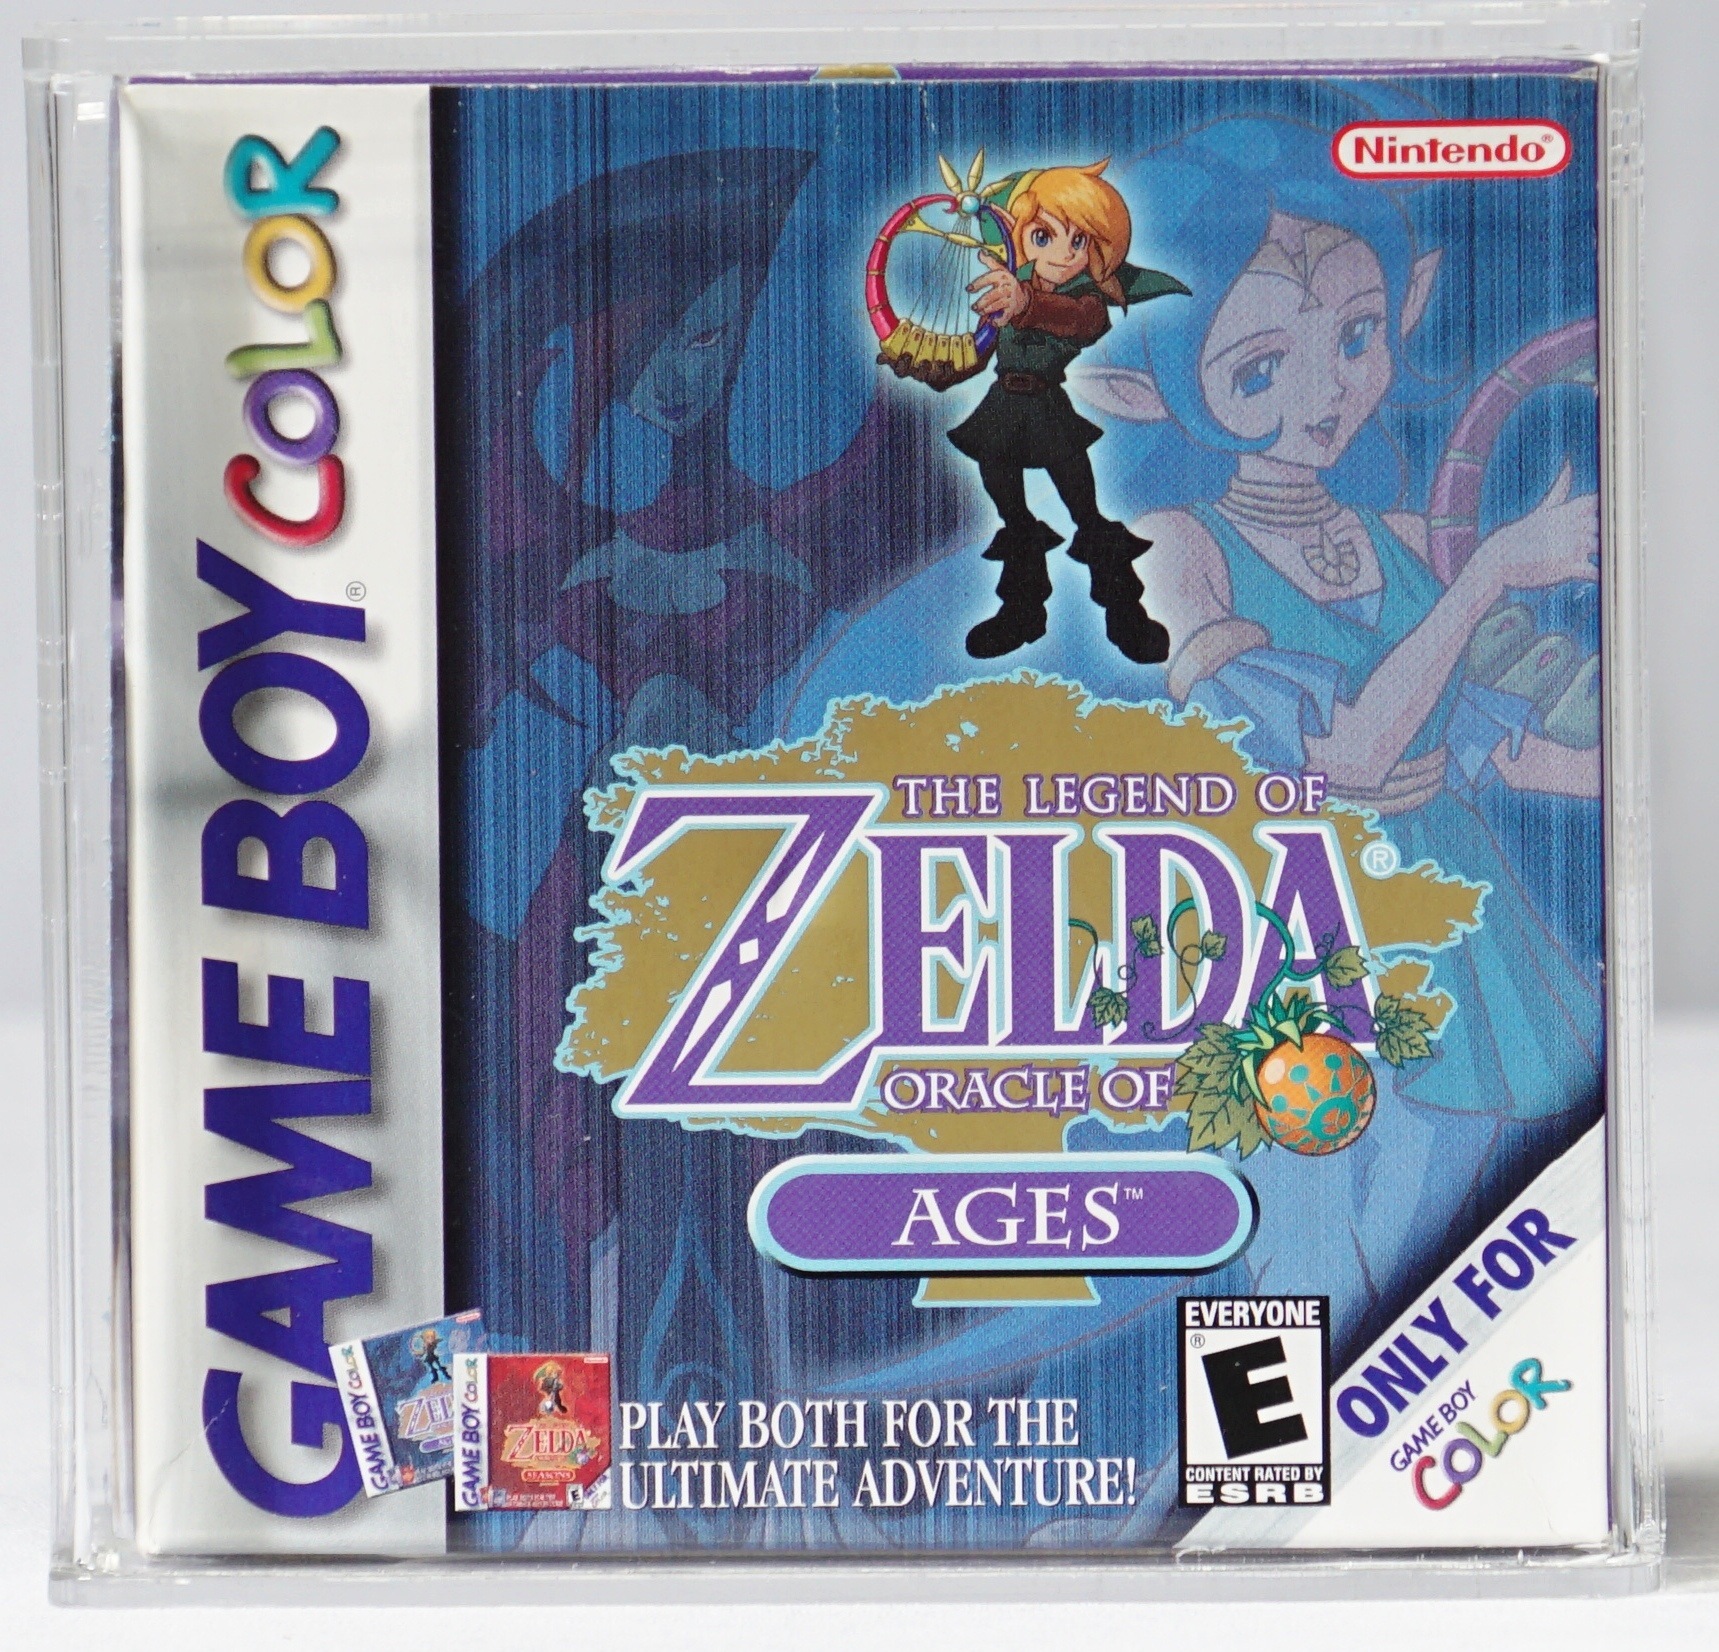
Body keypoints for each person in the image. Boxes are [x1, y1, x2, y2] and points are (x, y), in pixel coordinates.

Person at [905, 161, 1188, 662]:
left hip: (1048, 411)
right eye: (1043, 236)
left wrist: (1026, 303)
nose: (1063, 253)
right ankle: (1022, 611)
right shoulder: (1007, 287)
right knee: (1014, 516)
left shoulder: (1086, 299)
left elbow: (1080, 323)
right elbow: (977, 353)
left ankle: (1125, 611)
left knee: (1086, 512)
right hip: (1000, 411)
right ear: (1019, 235)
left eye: (1079, 241)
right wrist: (929, 367)